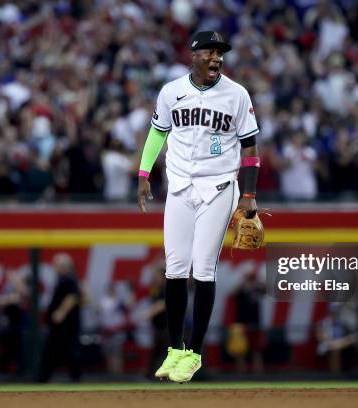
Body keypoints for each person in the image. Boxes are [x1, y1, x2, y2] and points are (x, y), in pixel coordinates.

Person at [137, 31, 260, 383]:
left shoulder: (236, 94)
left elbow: (250, 147)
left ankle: (194, 353)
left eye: (220, 53)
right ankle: (174, 349)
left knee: (203, 269)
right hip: (179, 184)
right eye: (209, 52)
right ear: (193, 55)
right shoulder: (171, 91)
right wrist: (144, 173)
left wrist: (248, 195)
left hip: (219, 184)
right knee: (175, 268)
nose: (216, 58)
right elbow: (157, 133)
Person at [38, 253, 82, 382]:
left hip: (66, 325)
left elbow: (72, 297)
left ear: (64, 266)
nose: (54, 267)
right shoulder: (61, 279)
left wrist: (60, 312)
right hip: (60, 326)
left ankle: (75, 379)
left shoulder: (68, 279)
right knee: (51, 353)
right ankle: (43, 379)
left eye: (56, 265)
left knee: (70, 352)